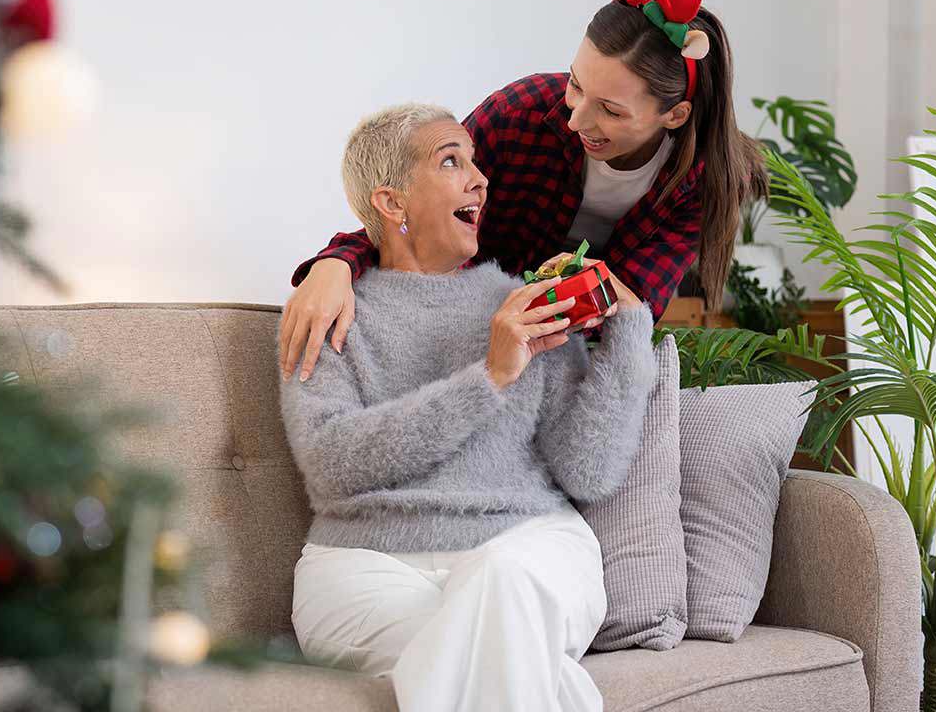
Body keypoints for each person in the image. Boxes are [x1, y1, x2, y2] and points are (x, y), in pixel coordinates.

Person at [279, 102, 657, 712]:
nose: (480, 178)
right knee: (509, 643)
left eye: (475, 162)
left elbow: (590, 471)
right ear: (392, 203)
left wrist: (631, 328)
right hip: (362, 570)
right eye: (452, 161)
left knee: (503, 584)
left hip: (527, 544)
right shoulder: (327, 312)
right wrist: (490, 376)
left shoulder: (522, 303)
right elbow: (332, 466)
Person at [281, 0, 767, 380]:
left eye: (611, 111)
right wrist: (336, 262)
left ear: (674, 115)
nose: (576, 118)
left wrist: (578, 284)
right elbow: (417, 207)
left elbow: (636, 307)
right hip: (464, 339)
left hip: (570, 365)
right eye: (576, 85)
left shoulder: (706, 178)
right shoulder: (522, 113)